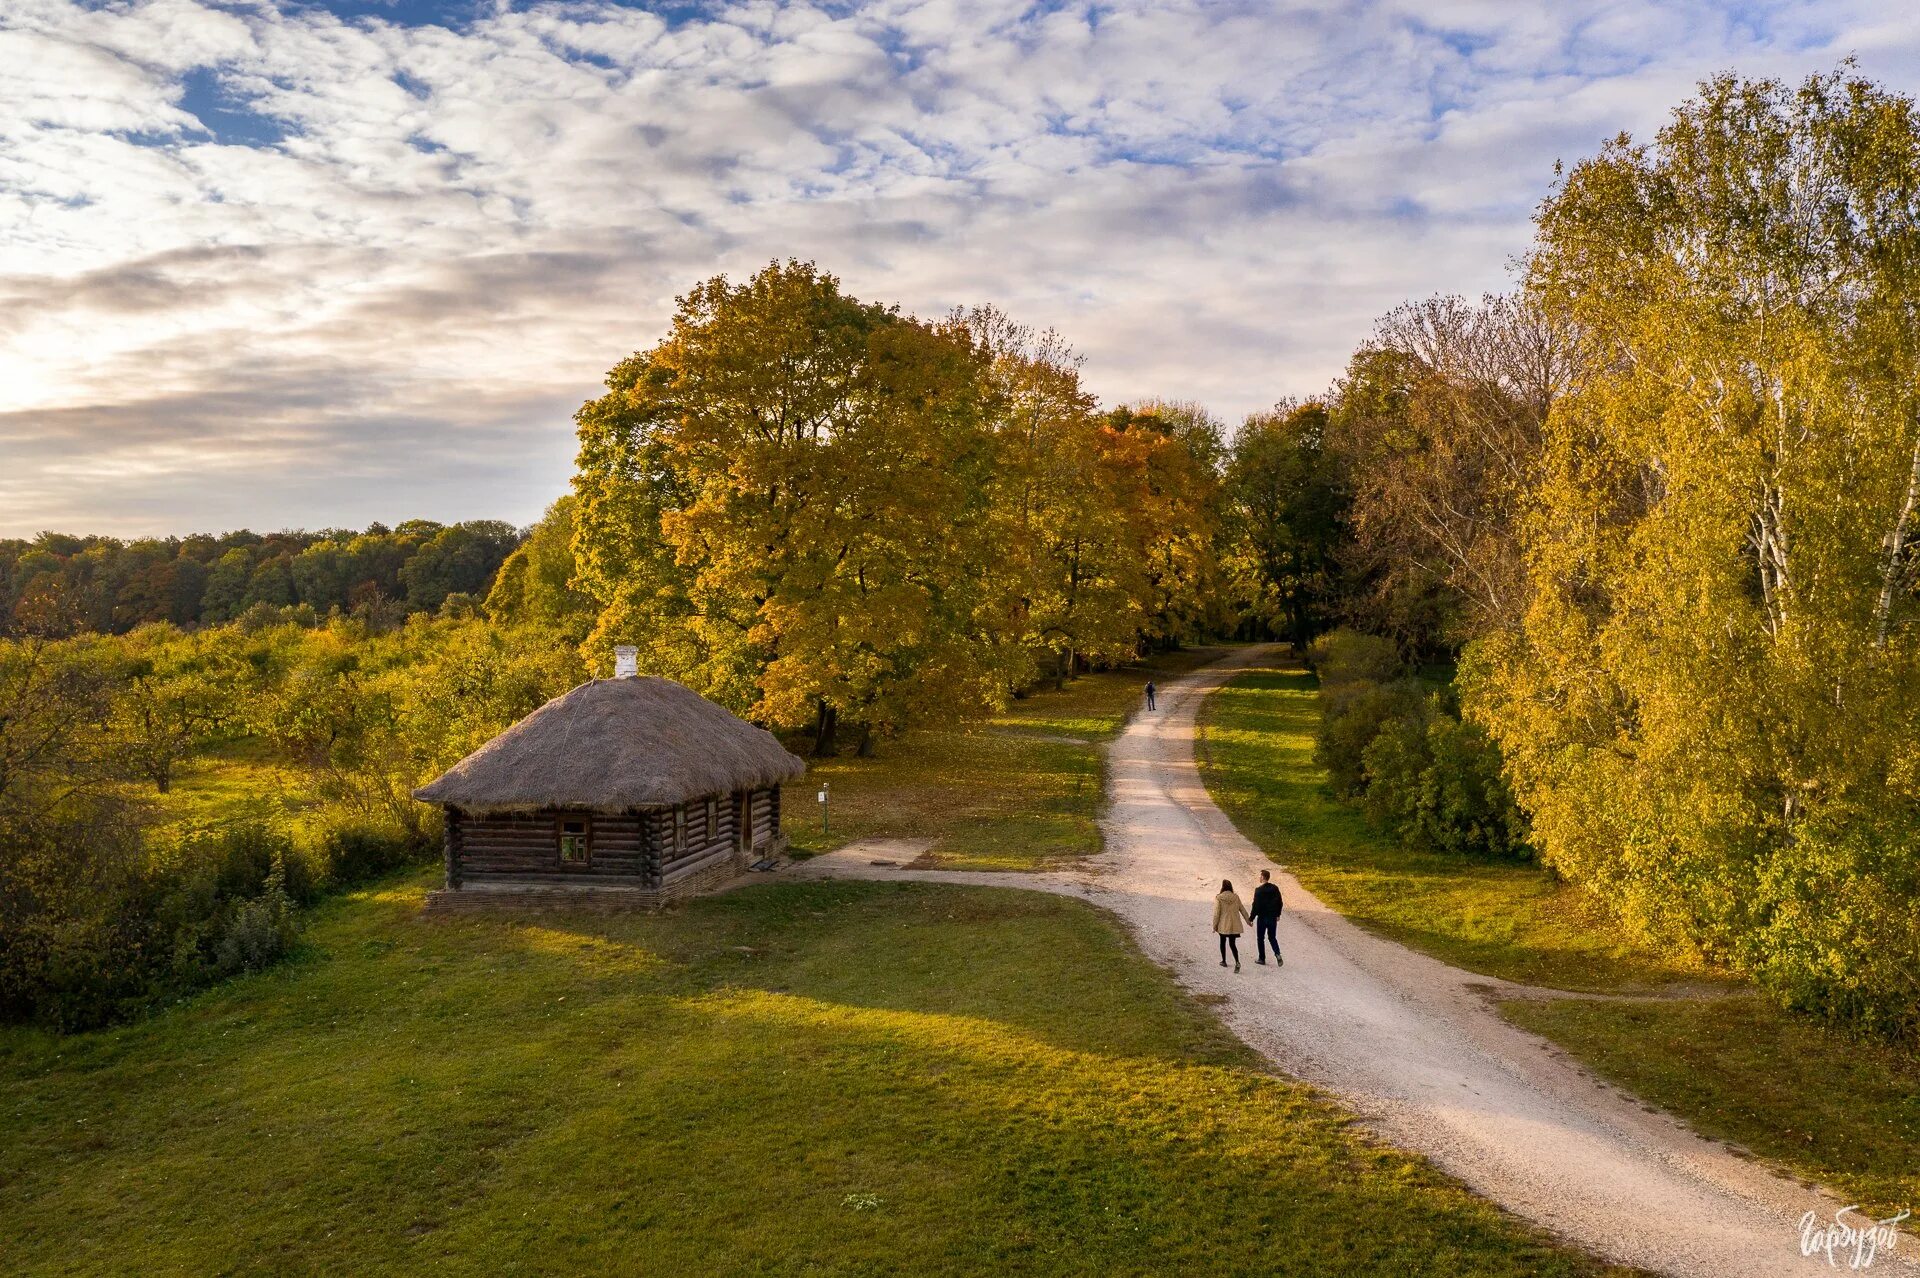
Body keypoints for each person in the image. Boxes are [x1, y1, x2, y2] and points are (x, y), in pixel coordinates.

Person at [1213, 879, 1249, 971]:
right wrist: (1248, 921)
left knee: (1222, 942)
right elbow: (1242, 909)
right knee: (1232, 944)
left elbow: (1217, 913)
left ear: (1223, 887)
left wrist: (1214, 925)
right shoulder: (1236, 897)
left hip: (1223, 924)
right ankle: (1237, 961)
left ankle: (1224, 961)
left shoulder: (1219, 898)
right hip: (1233, 925)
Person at [1250, 869, 1284, 967]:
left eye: (1260, 876)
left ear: (1263, 877)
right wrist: (1278, 914)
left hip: (1262, 918)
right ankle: (1277, 953)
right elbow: (1280, 902)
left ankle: (1262, 958)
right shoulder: (1275, 888)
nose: (1259, 877)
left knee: (1260, 938)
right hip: (1272, 917)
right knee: (1272, 937)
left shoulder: (1258, 891)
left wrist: (1251, 918)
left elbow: (1255, 906)